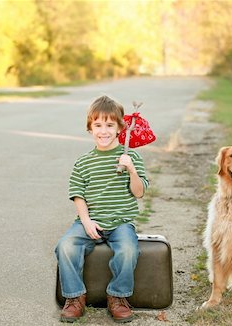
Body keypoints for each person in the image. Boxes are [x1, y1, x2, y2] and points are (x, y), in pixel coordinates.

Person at [55, 95, 149, 323]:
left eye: (109, 125)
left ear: (120, 128)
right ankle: (75, 297)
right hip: (90, 221)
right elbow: (78, 194)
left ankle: (117, 296)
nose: (103, 131)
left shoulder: (131, 156)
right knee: (65, 246)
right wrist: (86, 221)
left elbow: (139, 192)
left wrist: (131, 171)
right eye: (98, 125)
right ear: (90, 129)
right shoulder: (84, 162)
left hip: (120, 223)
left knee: (128, 250)